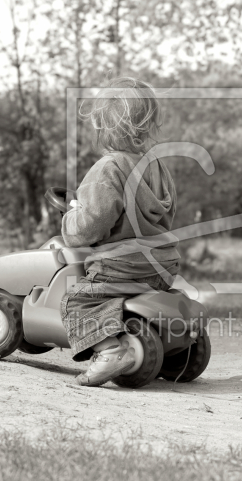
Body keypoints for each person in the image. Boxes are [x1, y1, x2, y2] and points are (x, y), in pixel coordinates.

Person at [61, 77, 180, 387]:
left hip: (120, 266)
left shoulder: (107, 169)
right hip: (162, 267)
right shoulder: (157, 167)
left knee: (77, 300)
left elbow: (91, 226)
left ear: (101, 126)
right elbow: (168, 213)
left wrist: (71, 218)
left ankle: (111, 348)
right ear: (151, 123)